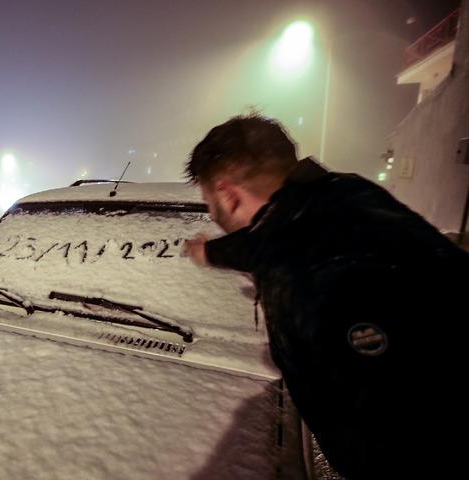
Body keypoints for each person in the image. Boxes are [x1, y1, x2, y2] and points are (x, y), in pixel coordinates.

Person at [182, 113, 468, 478]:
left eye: (209, 202)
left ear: (227, 194)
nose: (211, 214)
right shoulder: (338, 200)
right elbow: (264, 242)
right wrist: (209, 252)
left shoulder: (323, 273)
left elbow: (401, 432)